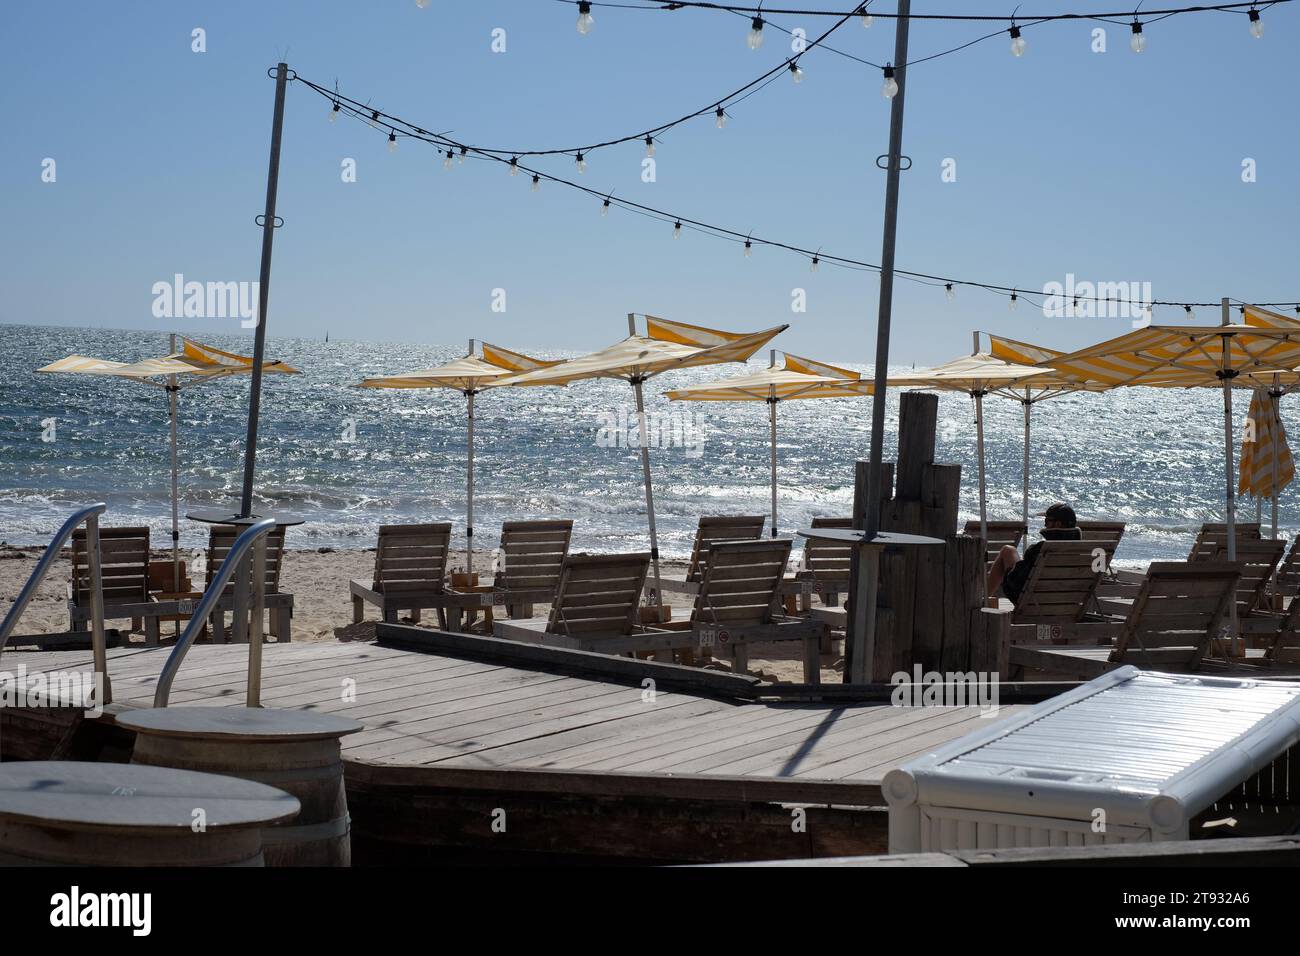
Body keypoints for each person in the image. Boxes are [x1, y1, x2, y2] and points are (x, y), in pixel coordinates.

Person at [986, 502, 1082, 605]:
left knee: (1008, 550)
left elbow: (1015, 581)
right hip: (1067, 603)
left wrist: (1008, 572)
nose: (1045, 524)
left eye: (1047, 521)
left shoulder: (1041, 550)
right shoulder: (1080, 550)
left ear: (1058, 524)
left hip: (1033, 602)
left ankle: (984, 599)